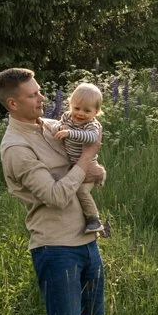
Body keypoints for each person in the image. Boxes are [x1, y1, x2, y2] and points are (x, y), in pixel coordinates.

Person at [0, 67, 107, 315]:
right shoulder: (16, 148)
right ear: (13, 104)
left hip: (87, 241)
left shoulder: (51, 127)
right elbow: (57, 196)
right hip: (55, 248)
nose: (42, 98)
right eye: (33, 95)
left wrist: (94, 169)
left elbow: (87, 170)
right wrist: (87, 159)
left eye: (40, 91)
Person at [49, 81, 108, 235]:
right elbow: (58, 125)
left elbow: (92, 138)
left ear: (96, 112)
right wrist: (59, 128)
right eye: (76, 108)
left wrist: (70, 133)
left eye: (87, 110)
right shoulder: (67, 117)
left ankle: (94, 220)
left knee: (81, 191)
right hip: (74, 164)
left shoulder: (91, 125)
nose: (80, 113)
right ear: (70, 105)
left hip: (88, 166)